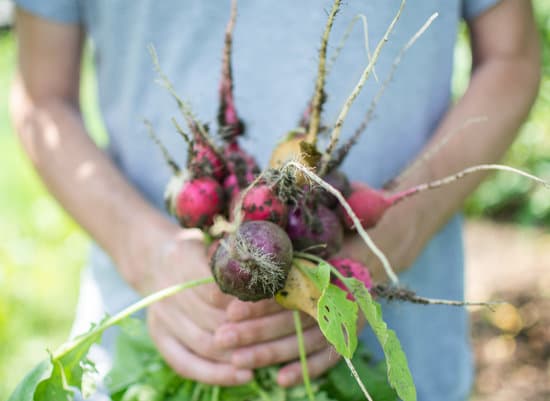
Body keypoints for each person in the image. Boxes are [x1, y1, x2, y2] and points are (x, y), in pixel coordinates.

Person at [10, 1, 540, 400]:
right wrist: (143, 251)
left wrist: (397, 234)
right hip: (150, 337)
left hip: (402, 350)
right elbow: (41, 97)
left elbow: (511, 55)